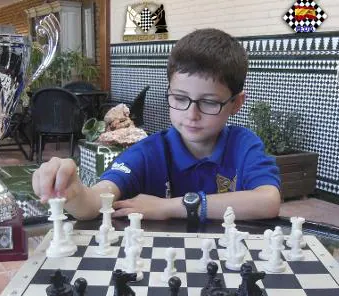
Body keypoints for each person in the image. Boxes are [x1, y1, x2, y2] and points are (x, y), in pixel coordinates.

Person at [32, 28, 281, 221]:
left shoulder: (244, 145)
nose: (191, 114)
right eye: (180, 98)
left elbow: (268, 201)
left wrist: (169, 207)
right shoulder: (149, 152)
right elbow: (96, 201)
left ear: (236, 103)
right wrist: (73, 193)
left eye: (209, 103)